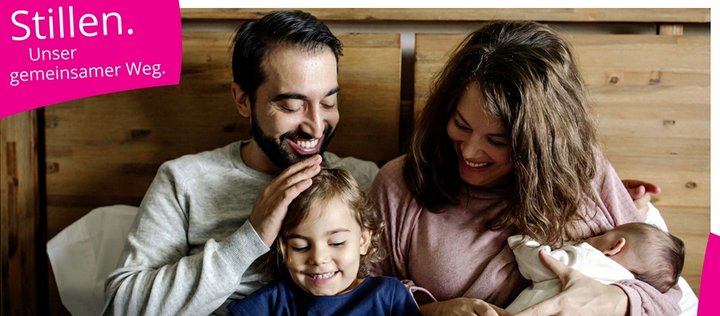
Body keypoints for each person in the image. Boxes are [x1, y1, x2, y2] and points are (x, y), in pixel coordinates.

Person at [370, 20, 683, 315]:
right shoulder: (402, 183)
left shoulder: (585, 170)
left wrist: (615, 300)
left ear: (541, 147)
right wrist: (430, 311)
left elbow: (668, 299)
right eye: (461, 125)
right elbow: (359, 298)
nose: (469, 150)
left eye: (498, 140)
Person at [103, 11, 378, 315]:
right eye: (291, 105)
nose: (315, 126)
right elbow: (121, 306)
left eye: (328, 102)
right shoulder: (184, 181)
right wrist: (250, 238)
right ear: (243, 100)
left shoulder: (364, 179)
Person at [227, 168, 421, 315]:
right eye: (300, 247)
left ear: (363, 240)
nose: (318, 258)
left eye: (336, 243)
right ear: (283, 249)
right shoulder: (275, 300)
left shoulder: (389, 295)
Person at [505, 222, 685, 314]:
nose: (590, 236)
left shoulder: (589, 257)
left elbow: (538, 262)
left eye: (603, 234)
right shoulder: (625, 286)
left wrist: (522, 240)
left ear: (615, 246)